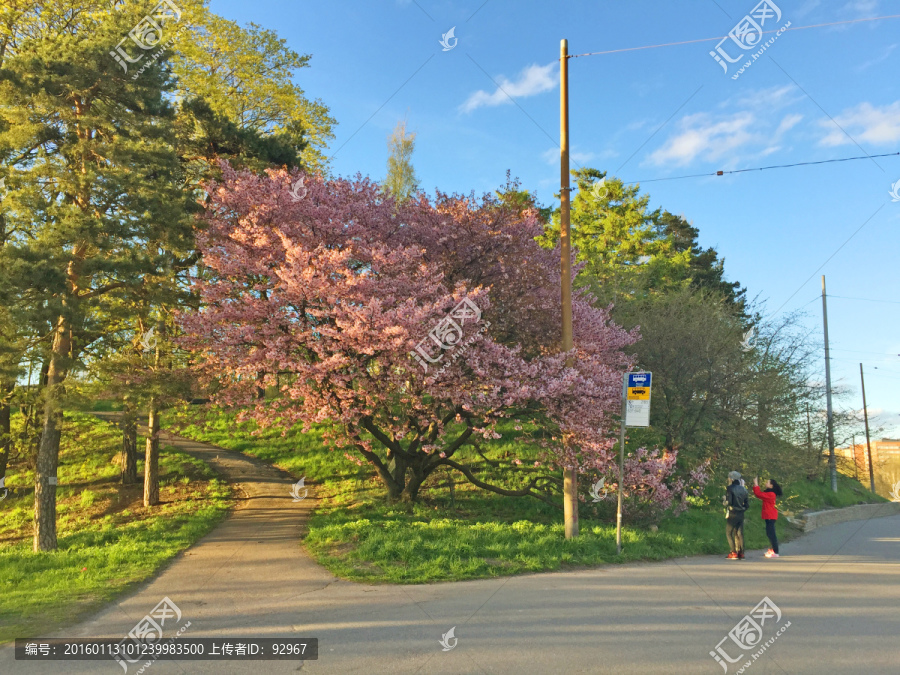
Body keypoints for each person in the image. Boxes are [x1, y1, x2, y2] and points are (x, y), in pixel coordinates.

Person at [753, 477, 783, 558]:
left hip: (770, 516)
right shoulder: (770, 493)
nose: (766, 483)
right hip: (769, 516)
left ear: (771, 485)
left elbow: (759, 494)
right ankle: (772, 550)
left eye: (767, 482)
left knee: (771, 534)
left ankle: (775, 551)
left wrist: (756, 484)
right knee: (769, 533)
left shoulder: (771, 494)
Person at [723, 471, 749, 559]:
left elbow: (729, 501)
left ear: (732, 479)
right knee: (740, 533)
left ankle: (733, 552)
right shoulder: (744, 489)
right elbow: (747, 505)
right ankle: (741, 553)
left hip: (733, 513)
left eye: (729, 478)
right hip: (741, 514)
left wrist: (724, 501)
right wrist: (742, 509)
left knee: (728, 533)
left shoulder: (730, 488)